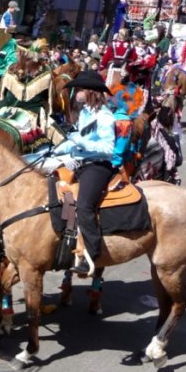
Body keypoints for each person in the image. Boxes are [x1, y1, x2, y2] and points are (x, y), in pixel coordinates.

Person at [60, 70, 123, 276]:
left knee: (85, 206)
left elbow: (107, 148)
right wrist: (54, 147)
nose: (76, 92)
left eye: (80, 89)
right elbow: (74, 140)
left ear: (91, 92)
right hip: (79, 160)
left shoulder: (105, 116)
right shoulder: (85, 113)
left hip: (97, 166)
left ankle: (93, 254)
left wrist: (79, 140)